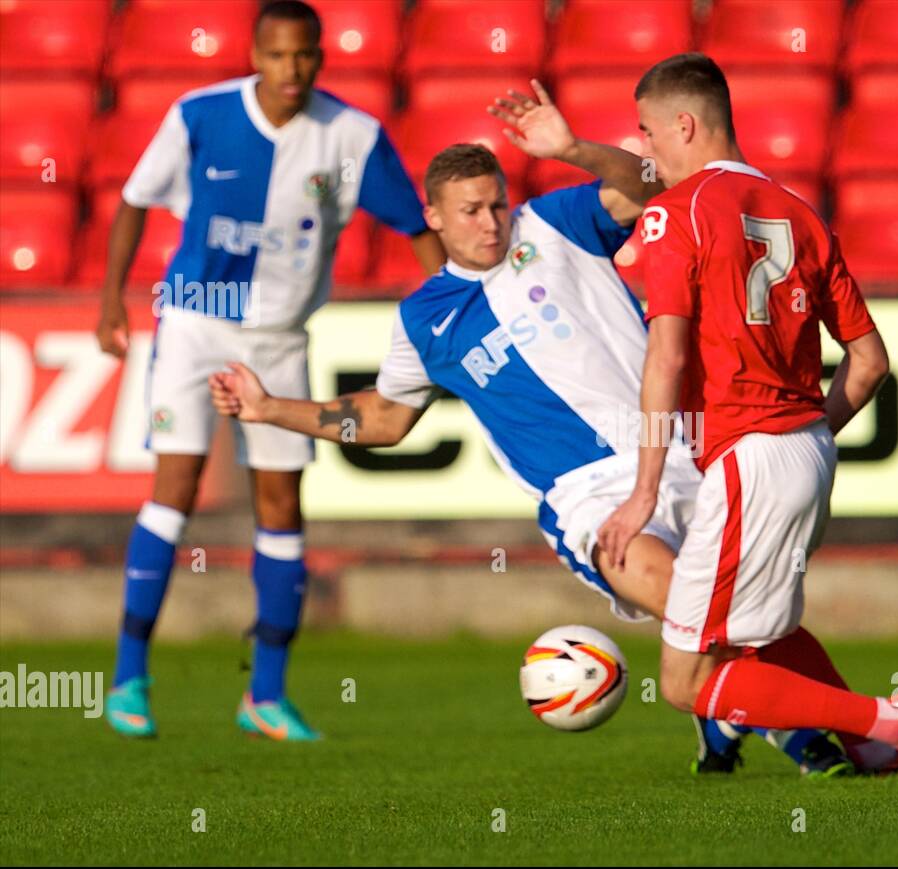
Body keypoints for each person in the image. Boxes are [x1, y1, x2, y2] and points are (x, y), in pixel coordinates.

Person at [209, 89, 859, 776]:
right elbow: (383, 418)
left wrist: (572, 149)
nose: (491, 223)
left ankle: (748, 723)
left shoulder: (552, 224)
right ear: (432, 217)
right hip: (592, 502)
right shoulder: (424, 321)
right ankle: (808, 737)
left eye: (496, 204)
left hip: (684, 454)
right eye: (471, 212)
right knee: (692, 605)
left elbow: (649, 181)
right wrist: (269, 407)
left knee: (744, 614)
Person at [596, 53, 898, 775]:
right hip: (805, 451)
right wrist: (810, 435)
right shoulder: (799, 210)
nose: (642, 150)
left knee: (685, 681)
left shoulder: (679, 210)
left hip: (752, 456)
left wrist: (644, 492)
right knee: (759, 635)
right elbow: (870, 362)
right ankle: (871, 745)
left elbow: (665, 357)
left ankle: (890, 721)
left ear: (685, 123)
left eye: (646, 132)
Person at [97, 0, 443, 741]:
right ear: (256, 54)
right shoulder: (198, 115)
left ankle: (265, 695)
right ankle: (128, 678)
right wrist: (109, 305)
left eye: (306, 55)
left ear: (320, 56)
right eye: (279, 55)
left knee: (280, 504)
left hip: (280, 339)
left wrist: (451, 322)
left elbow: (417, 229)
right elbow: (131, 201)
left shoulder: (350, 135)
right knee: (175, 490)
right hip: (193, 323)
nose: (293, 70)